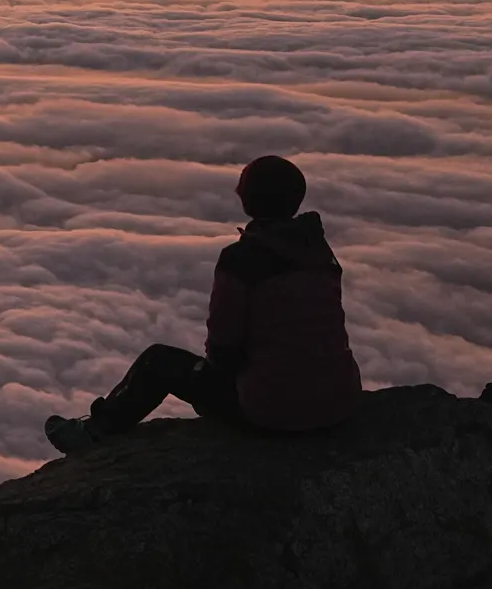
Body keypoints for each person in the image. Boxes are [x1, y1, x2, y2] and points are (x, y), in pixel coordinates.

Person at [44, 155, 362, 453]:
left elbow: (223, 350)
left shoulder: (241, 259)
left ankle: (94, 433)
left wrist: (219, 378)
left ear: (247, 200)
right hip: (340, 401)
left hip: (273, 411)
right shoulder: (319, 251)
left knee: (158, 361)